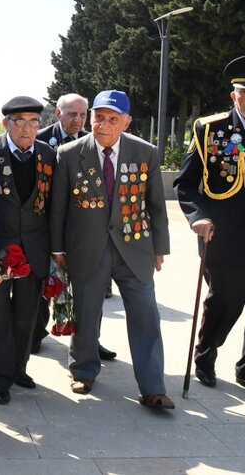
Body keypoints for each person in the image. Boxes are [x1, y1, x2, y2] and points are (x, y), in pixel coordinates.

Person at [49, 90, 174, 409]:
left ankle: (153, 386)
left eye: (112, 119)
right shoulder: (69, 152)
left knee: (146, 314)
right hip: (88, 248)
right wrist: (57, 248)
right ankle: (84, 369)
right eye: (98, 117)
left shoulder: (144, 153)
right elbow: (58, 208)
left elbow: (156, 206)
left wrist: (160, 247)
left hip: (135, 248)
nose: (103, 125)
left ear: (127, 122)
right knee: (87, 312)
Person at [175, 54, 245, 397]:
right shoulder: (210, 129)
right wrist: (198, 217)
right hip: (224, 237)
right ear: (232, 95)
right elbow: (186, 183)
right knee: (224, 302)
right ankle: (205, 360)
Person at [0, 96, 56, 404]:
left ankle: (19, 367)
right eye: (19, 123)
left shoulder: (48, 155)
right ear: (7, 124)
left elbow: (53, 206)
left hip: (34, 248)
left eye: (33, 123)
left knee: (27, 315)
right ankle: (0, 378)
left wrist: (55, 251)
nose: (26, 130)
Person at [34, 94, 116, 359]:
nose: (77, 120)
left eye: (82, 115)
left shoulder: (96, 143)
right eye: (72, 114)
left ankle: (91, 340)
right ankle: (35, 333)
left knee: (92, 290)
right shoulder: (42, 141)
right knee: (45, 286)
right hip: (47, 227)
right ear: (57, 114)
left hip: (85, 231)